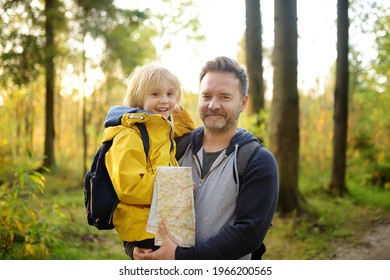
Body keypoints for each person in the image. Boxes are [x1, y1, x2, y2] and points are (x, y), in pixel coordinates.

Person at [135, 56, 279, 260]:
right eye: (207, 96)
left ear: (243, 102)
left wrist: (182, 258)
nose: (213, 105)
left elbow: (248, 234)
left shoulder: (257, 161)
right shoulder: (173, 148)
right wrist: (134, 247)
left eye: (225, 97)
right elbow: (138, 202)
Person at [102, 63, 195, 259]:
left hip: (158, 222)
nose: (164, 100)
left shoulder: (160, 128)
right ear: (138, 98)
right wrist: (175, 185)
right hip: (145, 229)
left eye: (170, 94)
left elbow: (188, 129)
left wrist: (173, 105)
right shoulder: (130, 134)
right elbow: (130, 186)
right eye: (155, 94)